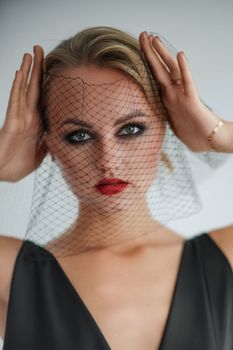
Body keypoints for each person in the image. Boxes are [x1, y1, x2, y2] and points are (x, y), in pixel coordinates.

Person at [0, 26, 232, 350]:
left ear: (167, 128)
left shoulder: (224, 260)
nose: (107, 160)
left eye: (132, 129)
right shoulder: (11, 274)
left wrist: (220, 134)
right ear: (47, 143)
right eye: (79, 136)